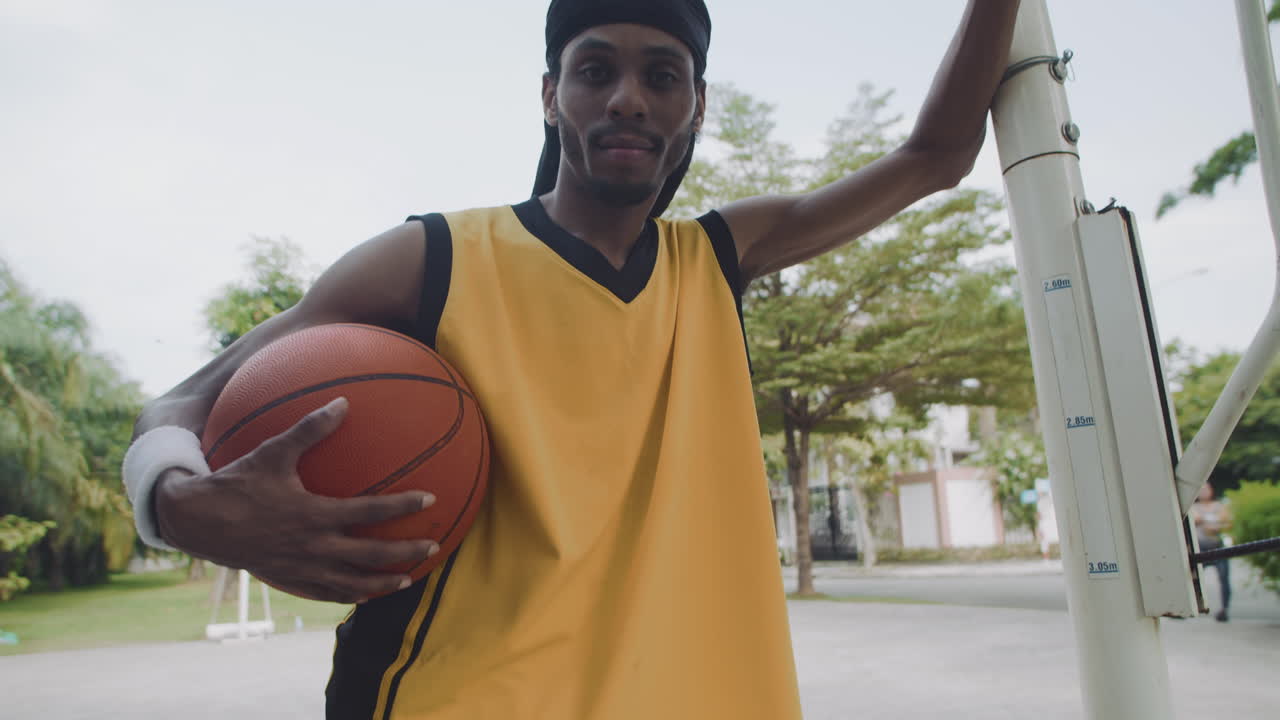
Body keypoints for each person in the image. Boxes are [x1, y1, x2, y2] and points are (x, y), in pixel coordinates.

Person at [122, 1, 1021, 717]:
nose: (629, 96)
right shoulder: (433, 258)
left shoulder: (713, 259)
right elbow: (186, 401)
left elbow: (936, 156)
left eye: (661, 75)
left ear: (696, 105)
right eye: (597, 69)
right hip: (457, 695)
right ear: (551, 95)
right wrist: (180, 504)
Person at [1191, 481, 1232, 622]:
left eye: (1206, 489)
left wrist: (1208, 521)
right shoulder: (1194, 506)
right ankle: (1192, 606)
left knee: (1224, 578)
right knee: (1191, 577)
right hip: (1201, 547)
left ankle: (1224, 609)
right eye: (1201, 489)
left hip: (1218, 546)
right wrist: (1215, 521)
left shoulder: (1219, 505)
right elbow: (1196, 519)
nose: (1204, 492)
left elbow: (1227, 522)